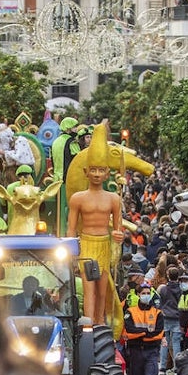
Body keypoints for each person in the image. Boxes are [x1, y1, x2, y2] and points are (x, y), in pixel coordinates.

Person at [66, 122, 123, 327]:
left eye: (101, 170)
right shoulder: (78, 198)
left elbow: (118, 227)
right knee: (88, 286)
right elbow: (71, 228)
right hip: (87, 243)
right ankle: (88, 324)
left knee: (102, 288)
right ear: (85, 172)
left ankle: (100, 324)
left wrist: (118, 236)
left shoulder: (114, 198)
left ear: (107, 173)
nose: (97, 174)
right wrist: (71, 250)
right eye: (93, 170)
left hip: (104, 245)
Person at [124, 282, 164, 375]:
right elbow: (129, 331)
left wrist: (140, 334)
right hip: (135, 351)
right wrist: (146, 333)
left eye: (148, 293)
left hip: (151, 350)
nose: (146, 295)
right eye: (143, 293)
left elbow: (159, 333)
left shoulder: (157, 313)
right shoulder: (131, 312)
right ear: (138, 294)